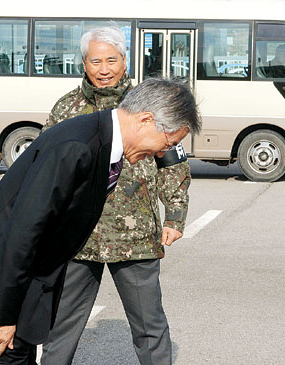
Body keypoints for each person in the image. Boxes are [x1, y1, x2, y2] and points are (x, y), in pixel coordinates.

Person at [0, 78, 201, 364]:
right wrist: (1, 316)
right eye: (168, 142)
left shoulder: (102, 141)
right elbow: (22, 231)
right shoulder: (78, 146)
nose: (162, 153)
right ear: (146, 120)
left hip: (19, 286)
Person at [39, 27, 190, 365]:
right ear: (83, 63)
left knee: (149, 327)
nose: (104, 68)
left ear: (125, 60)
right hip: (78, 238)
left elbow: (172, 162)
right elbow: (45, 169)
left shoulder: (150, 104)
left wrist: (176, 216)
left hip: (134, 237)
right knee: (61, 327)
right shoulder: (67, 108)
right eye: (95, 61)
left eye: (111, 60)